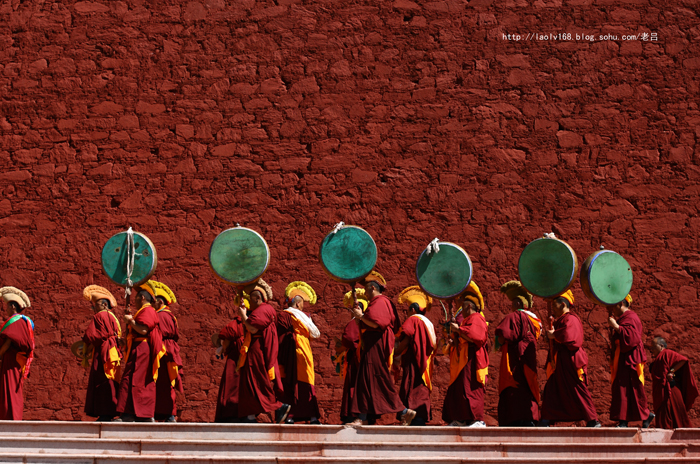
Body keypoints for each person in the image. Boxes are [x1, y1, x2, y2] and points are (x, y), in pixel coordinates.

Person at [349, 271, 415, 425]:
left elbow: (380, 323)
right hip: (373, 344)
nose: (365, 292)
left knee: (378, 378)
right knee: (368, 378)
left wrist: (361, 317)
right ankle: (364, 417)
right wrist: (361, 317)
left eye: (366, 289)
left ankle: (403, 411)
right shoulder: (382, 303)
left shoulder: (380, 302)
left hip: (376, 345)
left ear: (372, 287)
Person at [540, 290, 600, 427]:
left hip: (571, 360)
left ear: (562, 304)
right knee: (553, 388)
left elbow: (571, 338)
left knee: (578, 388)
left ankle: (592, 420)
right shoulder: (560, 320)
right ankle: (546, 419)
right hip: (560, 361)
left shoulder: (570, 319)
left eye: (555, 306)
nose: (553, 309)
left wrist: (554, 335)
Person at [236, 279, 291, 423]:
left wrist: (243, 316)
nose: (250, 301)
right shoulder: (261, 310)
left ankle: (278, 406)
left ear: (257, 298)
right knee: (250, 380)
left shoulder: (264, 309)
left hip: (257, 350)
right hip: (255, 348)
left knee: (257, 379)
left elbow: (253, 328)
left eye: (251, 298)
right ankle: (250, 414)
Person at [115, 283, 166, 422]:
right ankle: (133, 413)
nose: (134, 302)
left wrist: (130, 322)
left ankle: (136, 414)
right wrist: (125, 342)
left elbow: (143, 330)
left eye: (136, 298)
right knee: (133, 379)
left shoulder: (148, 311)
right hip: (138, 347)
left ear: (142, 298)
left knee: (135, 379)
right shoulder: (144, 311)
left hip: (142, 351)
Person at [442, 281, 489, 427]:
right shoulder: (467, 320)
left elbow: (477, 337)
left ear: (468, 306)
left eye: (462, 306)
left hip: (472, 359)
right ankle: (462, 418)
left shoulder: (476, 318)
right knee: (460, 389)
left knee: (471, 389)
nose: (461, 309)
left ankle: (477, 420)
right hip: (462, 359)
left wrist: (458, 330)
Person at [495, 281, 540, 427]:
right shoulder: (534, 320)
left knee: (515, 386)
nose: (511, 306)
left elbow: (504, 335)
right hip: (529, 358)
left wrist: (499, 341)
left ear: (519, 303)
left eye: (513, 303)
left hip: (515, 359)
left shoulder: (516, 316)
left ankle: (517, 418)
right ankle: (531, 417)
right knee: (529, 385)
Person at [277, 281, 321, 424]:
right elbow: (314, 334)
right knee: (302, 381)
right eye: (302, 304)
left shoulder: (284, 316)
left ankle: (292, 416)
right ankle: (295, 415)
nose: (303, 307)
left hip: (297, 351)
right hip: (298, 351)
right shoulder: (293, 316)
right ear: (297, 304)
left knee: (301, 381)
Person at [608, 294, 654, 428]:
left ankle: (625, 421)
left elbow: (632, 338)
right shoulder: (624, 318)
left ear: (621, 303)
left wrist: (616, 327)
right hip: (623, 357)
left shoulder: (631, 317)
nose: (612, 309)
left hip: (631, 358)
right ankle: (645, 415)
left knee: (628, 388)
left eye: (613, 305)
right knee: (623, 389)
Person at [395, 285, 436, 426]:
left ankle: (413, 416)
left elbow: (406, 338)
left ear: (412, 309)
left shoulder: (413, 319)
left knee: (412, 387)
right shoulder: (428, 323)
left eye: (407, 310)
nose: (406, 313)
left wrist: (395, 353)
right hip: (426, 362)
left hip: (414, 360)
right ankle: (420, 417)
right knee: (421, 388)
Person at [81, 285, 122, 422]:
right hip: (113, 351)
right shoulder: (113, 317)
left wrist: (85, 348)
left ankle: (105, 413)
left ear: (105, 304)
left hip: (103, 351)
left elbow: (91, 335)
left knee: (102, 380)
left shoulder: (100, 315)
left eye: (96, 305)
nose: (94, 309)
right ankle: (113, 410)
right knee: (112, 380)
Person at [333, 289, 369, 424]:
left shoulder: (355, 322)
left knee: (355, 386)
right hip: (364, 358)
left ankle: (354, 415)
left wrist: (340, 346)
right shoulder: (367, 321)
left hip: (356, 360)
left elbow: (349, 338)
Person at [150, 281, 183, 422]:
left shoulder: (162, 316)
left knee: (163, 383)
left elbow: (159, 334)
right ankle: (164, 413)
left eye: (153, 302)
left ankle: (169, 414)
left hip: (163, 352)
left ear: (159, 301)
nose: (151, 305)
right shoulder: (169, 315)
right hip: (167, 351)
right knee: (165, 384)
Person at [0, 287, 34, 420]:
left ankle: (12, 419)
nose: (6, 309)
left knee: (11, 389)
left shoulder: (17, 321)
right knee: (11, 389)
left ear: (13, 306)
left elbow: (8, 341)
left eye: (8, 306)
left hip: (11, 361)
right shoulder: (24, 321)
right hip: (15, 360)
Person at [650, 336, 699, 429]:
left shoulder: (666, 353)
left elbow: (683, 360)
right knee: (663, 417)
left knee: (676, 415)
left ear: (661, 345)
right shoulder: (658, 359)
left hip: (670, 390)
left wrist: (671, 371)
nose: (651, 350)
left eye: (653, 346)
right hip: (661, 392)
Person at [214, 293, 248, 423]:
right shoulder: (242, 323)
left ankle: (232, 413)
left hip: (236, 359)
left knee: (234, 384)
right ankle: (241, 413)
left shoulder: (238, 323)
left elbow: (225, 341)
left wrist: (222, 349)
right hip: (240, 358)